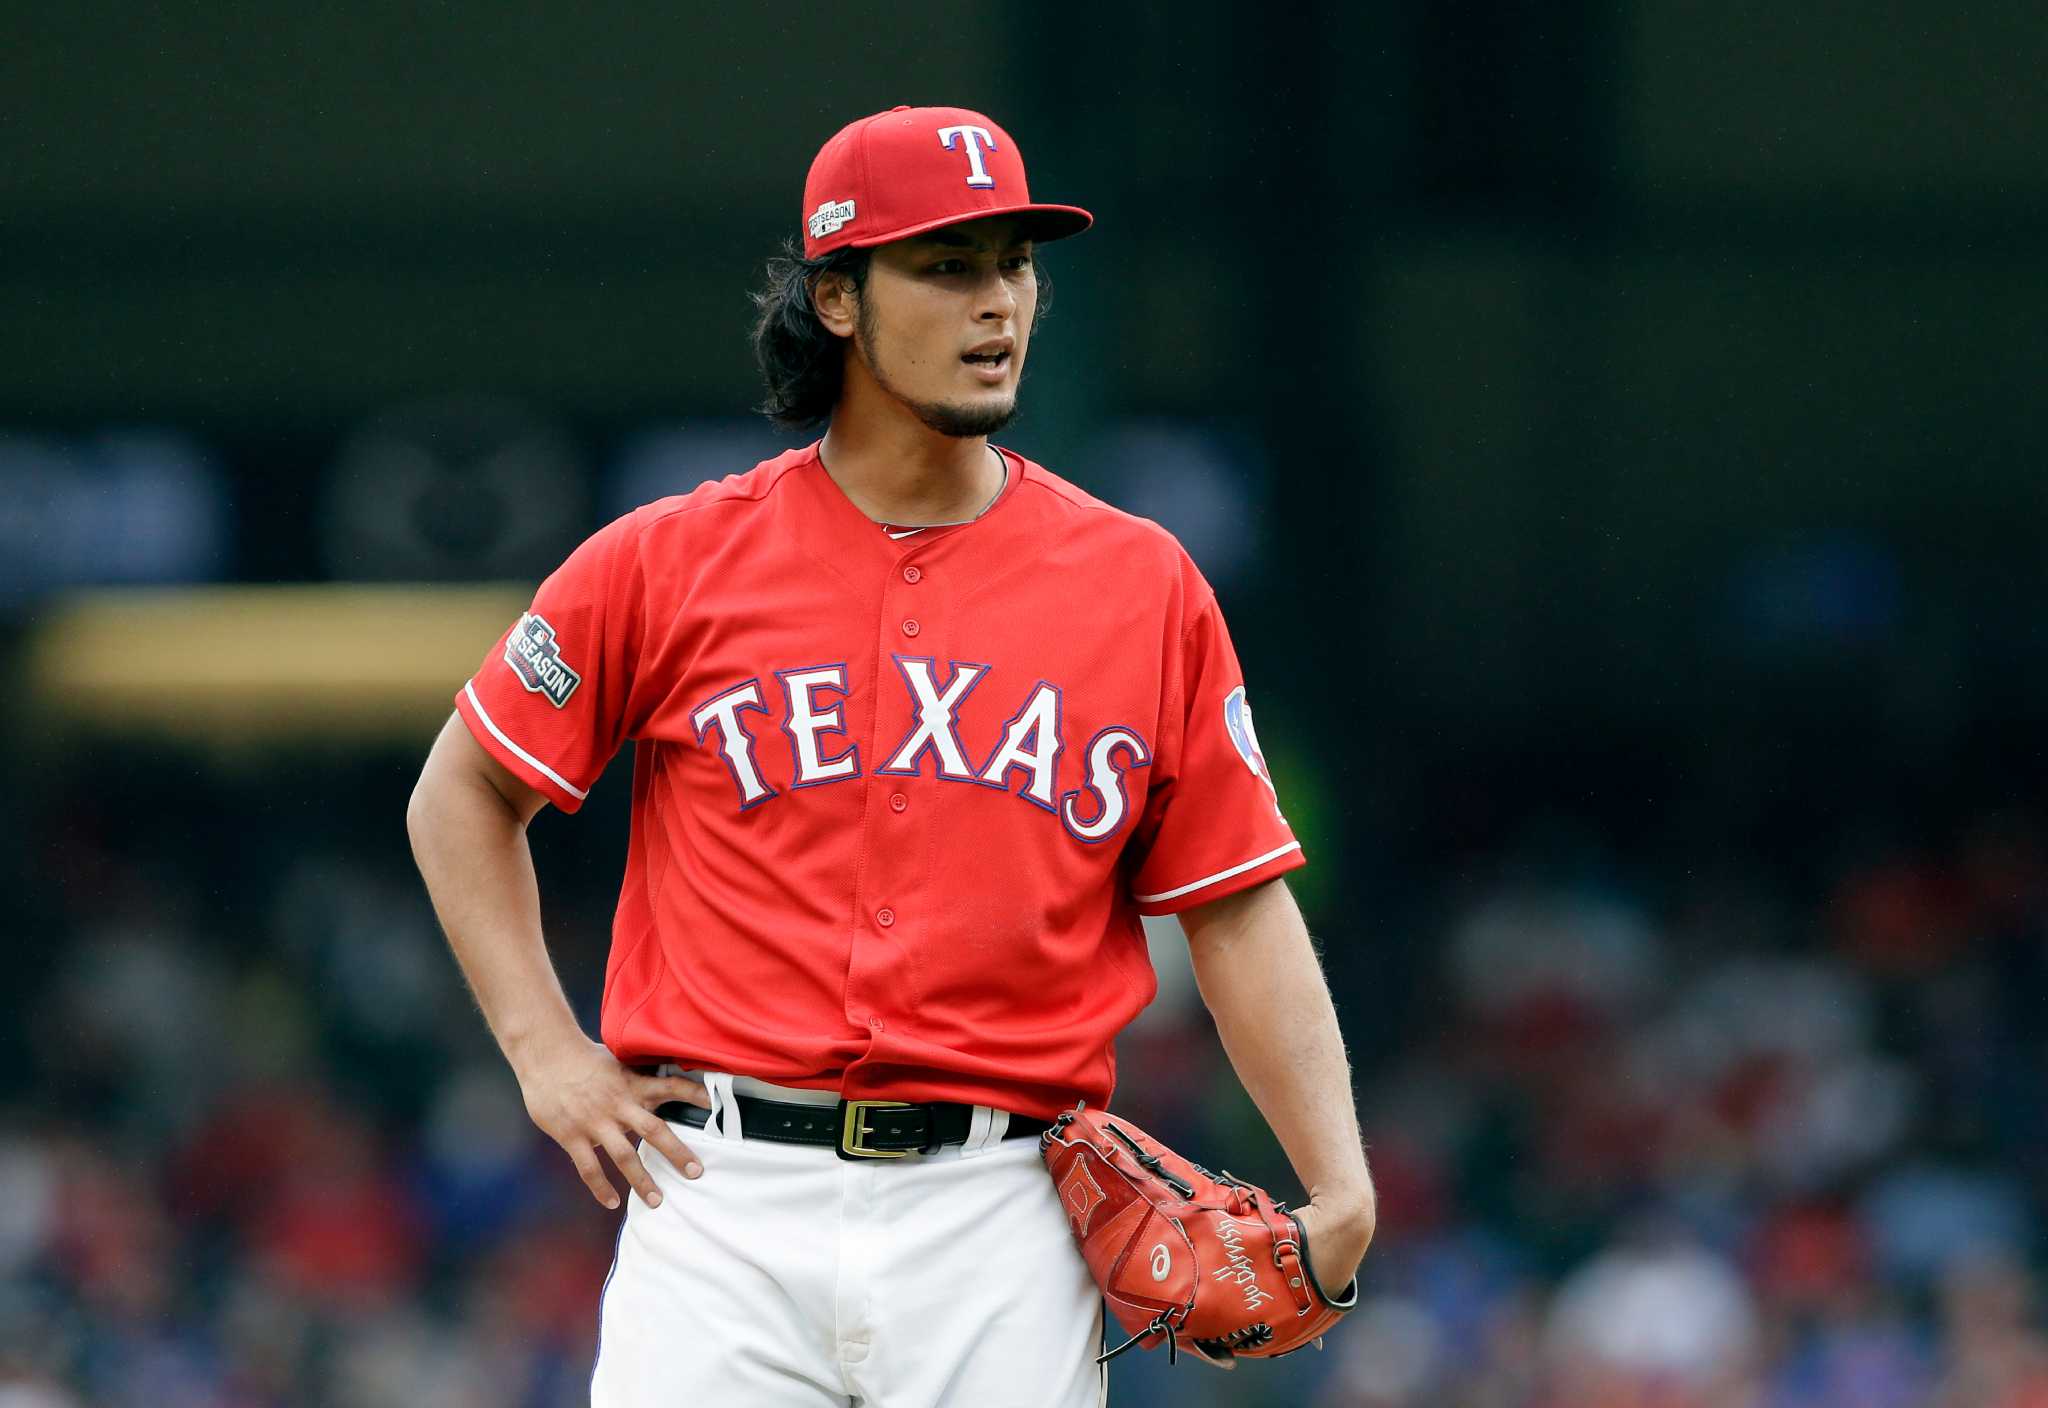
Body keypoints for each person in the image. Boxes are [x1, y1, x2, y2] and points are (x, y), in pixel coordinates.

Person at [406, 104, 1374, 1406]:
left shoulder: (1141, 584)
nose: (1000, 304)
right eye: (948, 265)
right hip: (720, 1198)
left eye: (1015, 263)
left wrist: (1339, 1177)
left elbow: (1237, 904)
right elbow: (464, 791)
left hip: (1004, 1212)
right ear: (838, 299)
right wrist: (544, 1052)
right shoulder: (669, 560)